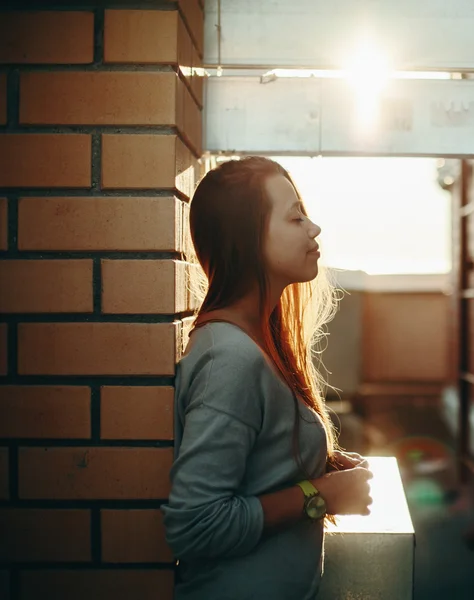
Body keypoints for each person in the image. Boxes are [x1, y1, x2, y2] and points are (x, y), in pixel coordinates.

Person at [161, 156, 373, 600]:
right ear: (248, 238)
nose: (313, 229)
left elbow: (255, 469)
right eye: (295, 217)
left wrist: (322, 466)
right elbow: (196, 525)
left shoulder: (255, 343)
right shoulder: (230, 359)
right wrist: (321, 495)